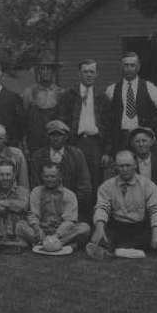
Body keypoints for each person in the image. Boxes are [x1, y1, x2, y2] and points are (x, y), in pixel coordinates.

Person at [86, 150, 157, 259]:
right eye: (121, 166)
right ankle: (125, 250)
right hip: (117, 226)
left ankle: (113, 251)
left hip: (139, 226)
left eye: (128, 165)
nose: (124, 169)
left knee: (154, 235)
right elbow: (102, 207)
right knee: (101, 232)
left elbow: (156, 209)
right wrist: (99, 228)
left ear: (135, 165)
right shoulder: (107, 186)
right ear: (116, 167)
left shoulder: (148, 185)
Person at [56, 59, 112, 206]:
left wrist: (107, 151)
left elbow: (108, 125)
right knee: (72, 177)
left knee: (95, 180)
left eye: (91, 72)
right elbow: (62, 121)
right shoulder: (69, 96)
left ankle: (94, 215)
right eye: (85, 72)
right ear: (79, 74)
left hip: (95, 144)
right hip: (75, 142)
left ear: (97, 74)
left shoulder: (102, 97)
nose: (88, 75)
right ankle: (74, 213)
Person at [105, 52, 157, 153]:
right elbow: (105, 119)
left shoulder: (149, 87)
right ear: (121, 67)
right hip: (120, 139)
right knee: (123, 167)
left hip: (141, 138)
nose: (129, 68)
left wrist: (155, 134)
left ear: (138, 67)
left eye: (132, 65)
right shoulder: (111, 90)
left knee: (144, 167)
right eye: (126, 65)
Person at [15, 164, 91, 252]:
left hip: (61, 232)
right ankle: (62, 246)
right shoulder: (36, 192)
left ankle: (48, 244)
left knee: (84, 228)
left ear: (59, 176)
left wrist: (56, 236)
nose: (49, 180)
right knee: (20, 225)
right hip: (42, 230)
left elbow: (69, 220)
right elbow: (33, 215)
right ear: (42, 177)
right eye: (46, 176)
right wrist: (37, 229)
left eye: (53, 176)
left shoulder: (69, 194)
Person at [29, 120, 92, 220]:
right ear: (47, 137)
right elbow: (35, 185)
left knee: (83, 229)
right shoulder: (38, 156)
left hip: (70, 208)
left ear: (66, 137)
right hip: (45, 210)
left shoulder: (76, 155)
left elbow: (84, 187)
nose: (55, 139)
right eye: (52, 135)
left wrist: (70, 206)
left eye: (59, 135)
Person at [21, 55, 64, 154]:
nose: (45, 72)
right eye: (42, 69)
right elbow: (23, 121)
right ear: (38, 71)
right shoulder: (29, 92)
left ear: (53, 71)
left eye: (48, 69)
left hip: (54, 142)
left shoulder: (61, 93)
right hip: (34, 142)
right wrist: (24, 144)